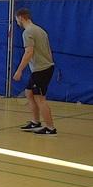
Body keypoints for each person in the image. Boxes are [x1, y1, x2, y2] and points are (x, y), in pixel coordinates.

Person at [13, 7, 56, 135]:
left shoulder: (28, 32)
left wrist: (19, 70)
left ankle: (50, 128)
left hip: (41, 69)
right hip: (43, 68)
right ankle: (35, 122)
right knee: (28, 93)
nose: (17, 23)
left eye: (17, 20)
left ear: (21, 18)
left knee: (40, 99)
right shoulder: (40, 30)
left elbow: (29, 52)